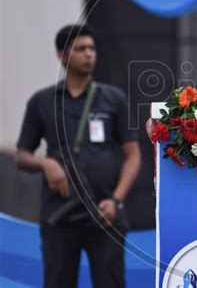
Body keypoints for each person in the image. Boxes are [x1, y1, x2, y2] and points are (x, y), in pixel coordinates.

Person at [16, 24, 141, 288]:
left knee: (111, 283)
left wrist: (116, 199)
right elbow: (22, 155)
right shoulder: (42, 101)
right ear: (61, 55)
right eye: (80, 48)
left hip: (105, 214)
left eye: (92, 48)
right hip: (60, 216)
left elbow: (133, 156)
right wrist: (46, 163)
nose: (89, 54)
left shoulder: (114, 99)